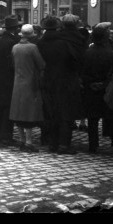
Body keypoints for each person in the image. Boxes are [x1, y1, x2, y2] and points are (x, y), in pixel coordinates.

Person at [36, 15, 86, 155]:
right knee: (66, 114)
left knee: (51, 113)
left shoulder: (40, 43)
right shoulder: (64, 43)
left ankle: (52, 143)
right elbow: (75, 62)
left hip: (47, 81)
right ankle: (64, 145)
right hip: (65, 81)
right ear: (58, 27)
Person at [10, 24, 45, 152]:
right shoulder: (33, 47)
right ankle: (29, 141)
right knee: (29, 113)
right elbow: (41, 64)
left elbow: (13, 64)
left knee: (18, 112)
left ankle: (21, 139)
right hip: (30, 82)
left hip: (17, 82)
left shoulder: (15, 47)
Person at [80, 25, 113, 154]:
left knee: (92, 120)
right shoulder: (111, 53)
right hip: (106, 90)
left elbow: (82, 72)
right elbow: (112, 72)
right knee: (110, 117)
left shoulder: (87, 53)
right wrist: (104, 83)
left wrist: (90, 83)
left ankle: (93, 145)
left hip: (91, 90)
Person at [0, 16, 21, 145]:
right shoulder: (13, 41)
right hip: (9, 77)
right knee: (7, 107)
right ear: (16, 28)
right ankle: (6, 134)